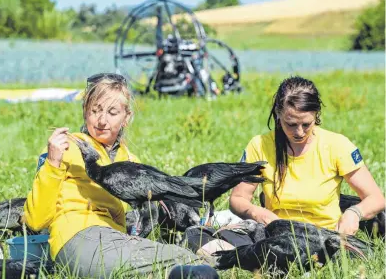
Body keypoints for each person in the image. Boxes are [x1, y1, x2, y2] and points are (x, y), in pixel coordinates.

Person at [23, 73, 203, 278]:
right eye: (95, 111)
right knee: (189, 264)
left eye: (112, 112)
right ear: (85, 112)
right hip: (77, 237)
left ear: (126, 117)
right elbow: (35, 220)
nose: (101, 120)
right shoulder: (69, 147)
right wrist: (52, 163)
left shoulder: (130, 160)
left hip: (115, 239)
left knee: (186, 261)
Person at [229, 76, 385, 235]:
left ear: (316, 115)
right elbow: (238, 199)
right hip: (277, 234)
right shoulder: (259, 145)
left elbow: (376, 198)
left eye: (306, 124)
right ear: (278, 114)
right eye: (291, 124)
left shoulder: (338, 145)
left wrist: (354, 213)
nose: (299, 132)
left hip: (325, 236)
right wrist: (257, 213)